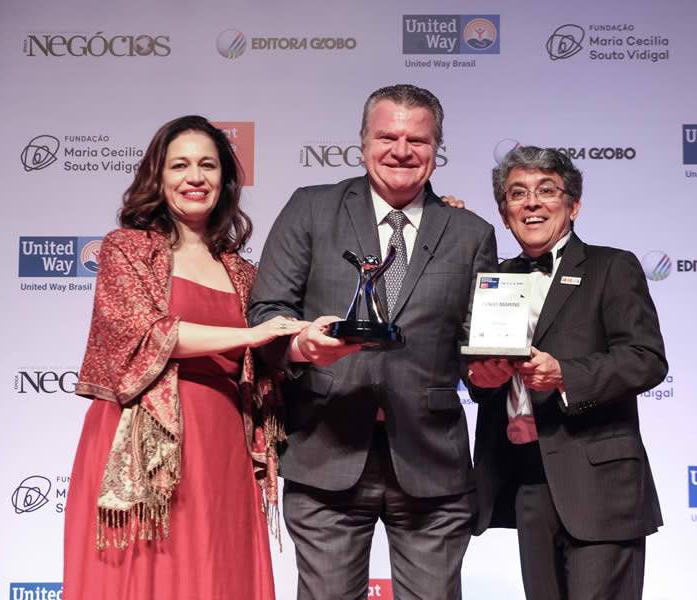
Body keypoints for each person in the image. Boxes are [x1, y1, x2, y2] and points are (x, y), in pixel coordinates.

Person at [249, 84, 498, 600]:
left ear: (437, 148)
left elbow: (479, 344)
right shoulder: (311, 209)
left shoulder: (471, 233)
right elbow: (267, 312)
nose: (402, 150)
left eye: (418, 140)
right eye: (387, 136)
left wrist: (488, 373)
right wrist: (301, 347)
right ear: (362, 143)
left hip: (432, 461)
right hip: (325, 451)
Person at [63, 115, 303, 600]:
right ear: (159, 175)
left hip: (221, 442)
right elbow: (144, 333)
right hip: (140, 449)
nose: (195, 177)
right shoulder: (127, 249)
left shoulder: (241, 271)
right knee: (147, 574)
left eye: (208, 165)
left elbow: (277, 346)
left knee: (216, 570)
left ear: (225, 180)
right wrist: (253, 333)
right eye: (180, 165)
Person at [469, 146, 667, 600]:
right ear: (505, 213)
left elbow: (646, 358)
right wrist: (483, 376)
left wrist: (565, 375)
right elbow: (476, 375)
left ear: (573, 205)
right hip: (526, 480)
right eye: (518, 193)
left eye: (546, 191)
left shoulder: (611, 266)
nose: (532, 202)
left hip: (599, 481)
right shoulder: (493, 278)